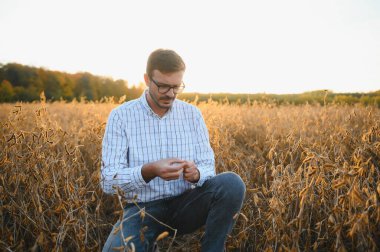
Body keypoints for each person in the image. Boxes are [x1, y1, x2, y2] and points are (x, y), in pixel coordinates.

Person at [101, 49, 246, 252]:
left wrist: (196, 174)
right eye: (162, 86)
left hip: (186, 204)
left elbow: (208, 167)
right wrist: (149, 170)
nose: (170, 93)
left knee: (232, 183)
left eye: (176, 87)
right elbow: (108, 181)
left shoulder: (192, 115)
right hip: (143, 209)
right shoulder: (121, 117)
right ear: (146, 79)